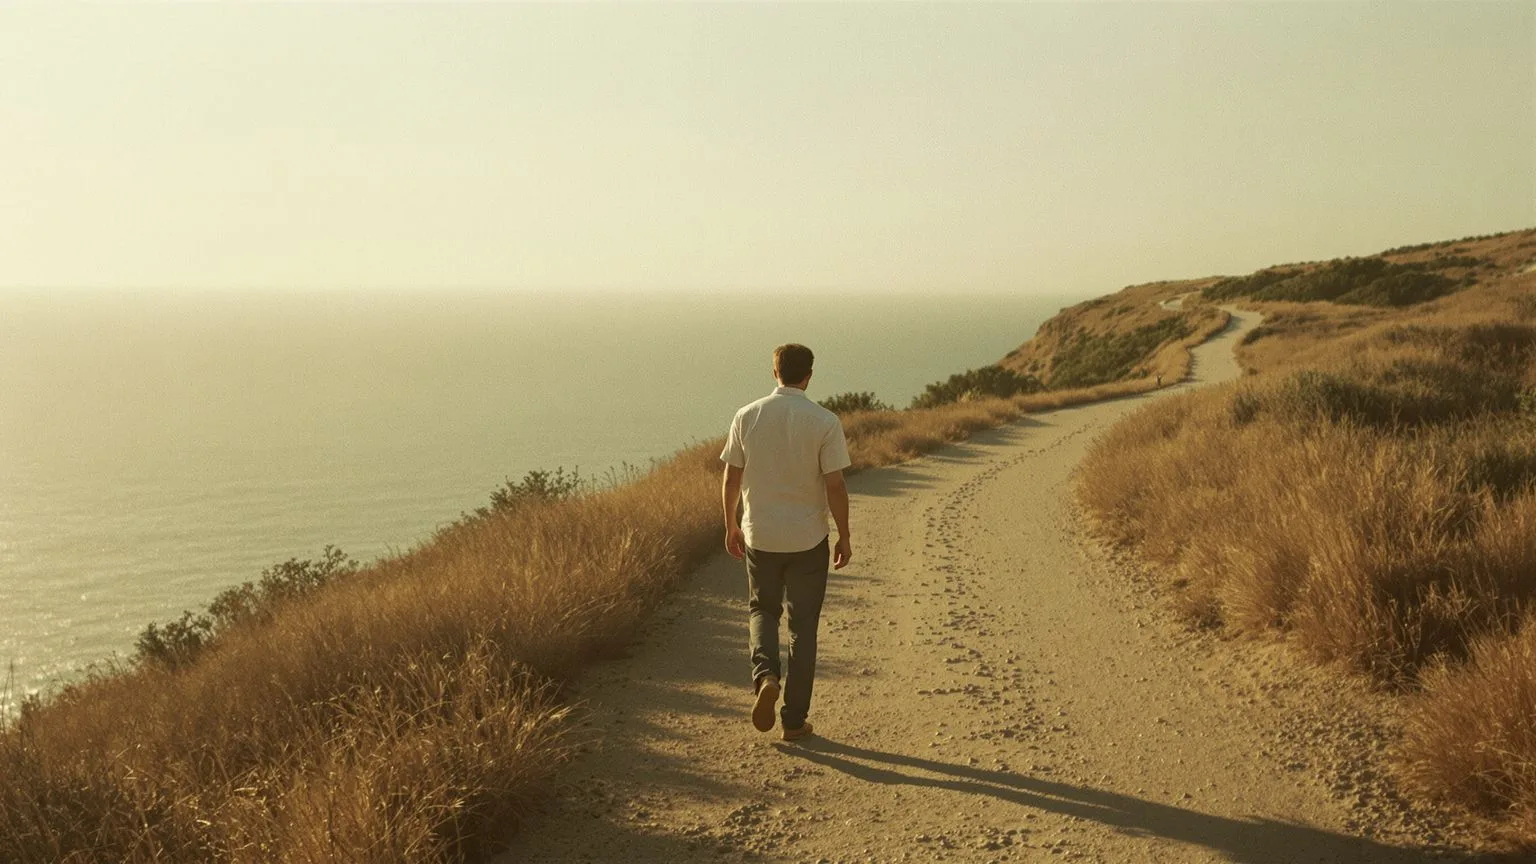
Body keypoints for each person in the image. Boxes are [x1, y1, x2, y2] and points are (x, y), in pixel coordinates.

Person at [720, 343, 852, 742]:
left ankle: (765, 678)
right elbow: (835, 485)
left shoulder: (747, 416)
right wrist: (844, 534)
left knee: (763, 610)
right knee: (804, 627)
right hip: (808, 539)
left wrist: (730, 525)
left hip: (760, 535)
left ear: (774, 372)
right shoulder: (825, 421)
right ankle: (794, 721)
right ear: (809, 375)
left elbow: (731, 478)